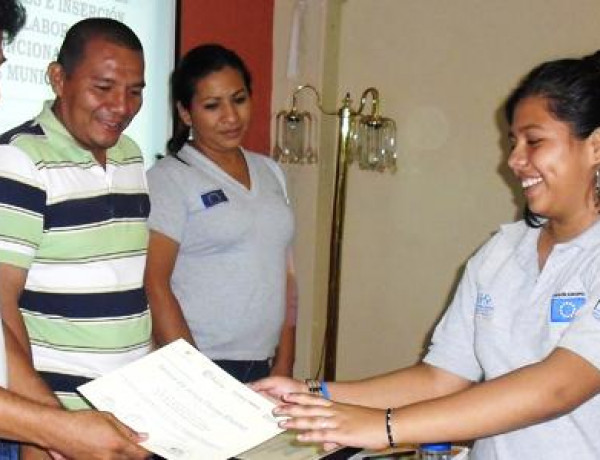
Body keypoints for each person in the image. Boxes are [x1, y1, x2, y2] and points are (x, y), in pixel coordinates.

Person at [252, 50, 600, 460]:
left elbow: (558, 387)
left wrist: (384, 426)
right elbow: (441, 377)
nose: (514, 160)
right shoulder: (502, 252)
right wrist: (316, 394)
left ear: (595, 146)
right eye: (513, 142)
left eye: (534, 141)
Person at [0, 4, 149, 459]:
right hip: (59, 408)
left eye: (134, 92)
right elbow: (3, 304)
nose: (121, 107)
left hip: (122, 410)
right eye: (103, 88)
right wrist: (42, 431)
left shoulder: (131, 156)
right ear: (59, 79)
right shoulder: (19, 160)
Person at [145, 44, 297, 383]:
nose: (231, 117)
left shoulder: (271, 172)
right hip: (200, 363)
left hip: (266, 362)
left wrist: (285, 361)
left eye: (239, 99)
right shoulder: (169, 178)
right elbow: (154, 282)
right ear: (186, 113)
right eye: (212, 106)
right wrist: (193, 373)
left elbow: (286, 276)